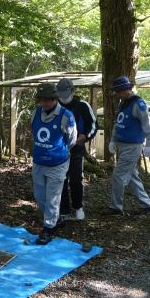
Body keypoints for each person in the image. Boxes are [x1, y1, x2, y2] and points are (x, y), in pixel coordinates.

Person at [31, 83, 77, 245]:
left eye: (47, 100)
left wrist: (58, 151)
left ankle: (49, 228)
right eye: (41, 100)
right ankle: (53, 219)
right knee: (39, 196)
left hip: (57, 163)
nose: (44, 103)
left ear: (54, 99)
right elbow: (34, 133)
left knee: (53, 197)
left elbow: (71, 140)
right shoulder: (36, 113)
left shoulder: (66, 116)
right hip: (38, 162)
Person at [106, 76, 150, 215]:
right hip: (121, 145)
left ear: (127, 90)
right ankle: (146, 204)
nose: (116, 94)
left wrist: (149, 144)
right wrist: (113, 140)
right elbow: (119, 123)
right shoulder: (123, 103)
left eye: (118, 91)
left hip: (132, 146)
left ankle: (116, 207)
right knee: (132, 175)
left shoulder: (138, 104)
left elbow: (148, 126)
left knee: (118, 175)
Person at [56, 78, 98, 222]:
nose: (63, 98)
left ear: (73, 91)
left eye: (66, 94)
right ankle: (64, 210)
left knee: (76, 179)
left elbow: (93, 125)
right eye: (61, 95)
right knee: (60, 180)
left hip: (77, 149)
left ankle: (78, 207)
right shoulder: (55, 106)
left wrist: (85, 136)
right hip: (58, 150)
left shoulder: (82, 106)